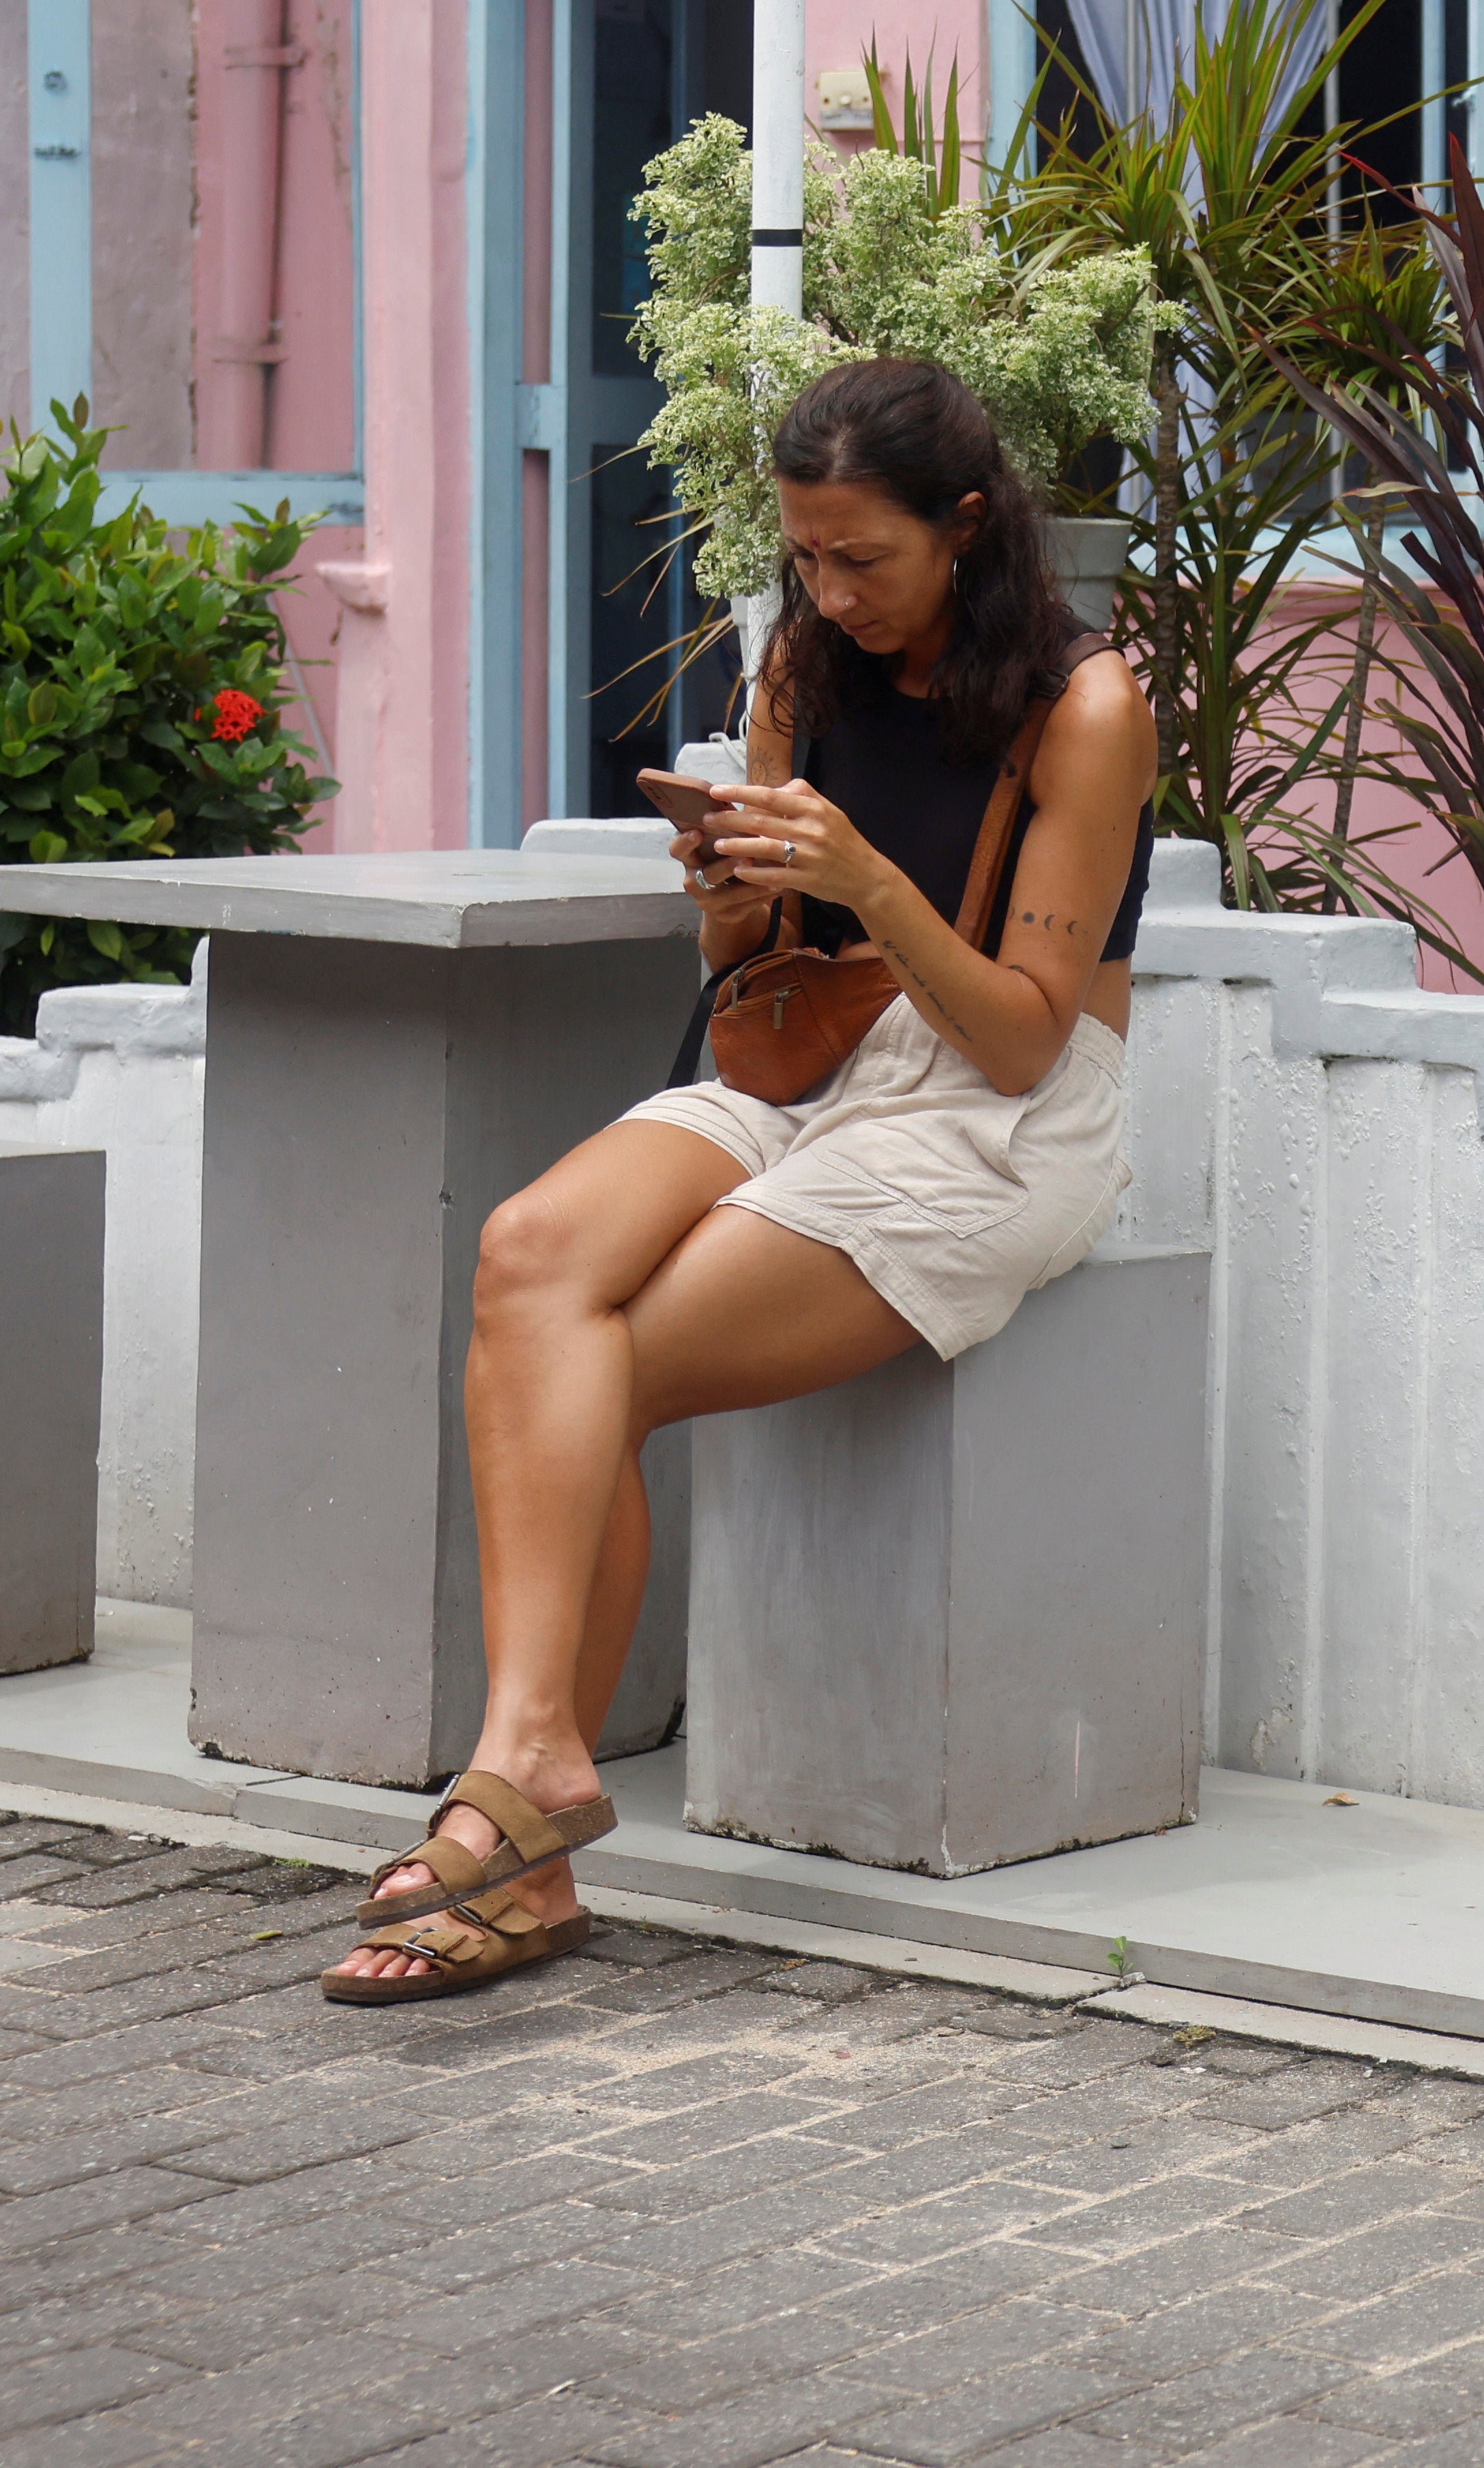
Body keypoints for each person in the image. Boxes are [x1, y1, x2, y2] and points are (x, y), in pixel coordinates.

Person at [325, 356, 1155, 2002]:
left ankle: (521, 1835)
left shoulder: (1085, 705)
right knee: (529, 1254)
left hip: (987, 1117)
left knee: (601, 1359)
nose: (831, 595)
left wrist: (868, 875)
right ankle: (537, 1754)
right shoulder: (803, 663)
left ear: (968, 527)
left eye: (866, 559)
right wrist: (731, 884)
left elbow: (1019, 1042)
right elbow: (757, 959)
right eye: (806, 559)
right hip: (803, 1060)